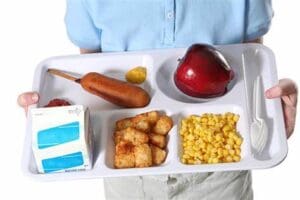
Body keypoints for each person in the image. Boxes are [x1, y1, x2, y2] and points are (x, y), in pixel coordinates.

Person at [18, 0, 297, 199]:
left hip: (222, 178)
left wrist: (268, 106)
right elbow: (93, 74)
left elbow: (252, 60)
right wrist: (55, 117)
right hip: (126, 179)